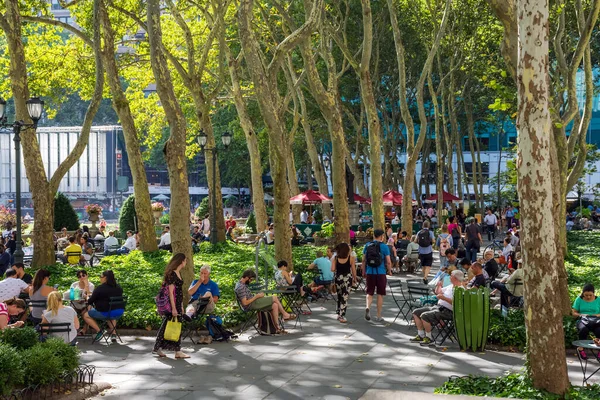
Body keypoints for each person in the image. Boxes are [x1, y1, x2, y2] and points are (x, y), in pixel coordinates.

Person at [410, 270, 465, 346]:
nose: (449, 277)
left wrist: (444, 298)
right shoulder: (450, 286)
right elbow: (438, 292)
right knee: (416, 312)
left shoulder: (461, 290)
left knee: (424, 315)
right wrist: (439, 286)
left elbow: (457, 303)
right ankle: (421, 335)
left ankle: (429, 338)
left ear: (455, 278)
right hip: (438, 307)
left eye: (451, 276)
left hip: (448, 311)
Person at [235, 269, 294, 333]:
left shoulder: (242, 284)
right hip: (250, 304)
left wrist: (258, 296)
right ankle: (285, 315)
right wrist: (257, 296)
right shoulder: (240, 287)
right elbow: (245, 303)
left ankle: (277, 328)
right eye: (251, 279)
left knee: (275, 305)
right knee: (274, 297)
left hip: (254, 302)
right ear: (246, 277)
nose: (251, 281)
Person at [153, 254, 189, 358]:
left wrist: (181, 305)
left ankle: (159, 347)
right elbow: (171, 292)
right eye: (185, 260)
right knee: (173, 325)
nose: (186, 262)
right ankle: (177, 351)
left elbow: (179, 291)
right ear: (181, 261)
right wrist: (173, 308)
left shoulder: (178, 272)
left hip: (177, 303)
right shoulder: (172, 274)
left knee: (169, 325)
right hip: (172, 304)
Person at [83, 270, 124, 344]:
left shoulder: (100, 288)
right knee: (111, 313)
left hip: (106, 313)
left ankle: (99, 331)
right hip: (119, 312)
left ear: (105, 278)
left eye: (101, 277)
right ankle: (113, 334)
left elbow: (90, 301)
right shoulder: (118, 287)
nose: (100, 279)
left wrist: (88, 297)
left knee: (86, 315)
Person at [362, 229, 391, 323]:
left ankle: (367, 307)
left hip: (370, 272)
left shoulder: (367, 245)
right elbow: (389, 262)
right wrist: (389, 271)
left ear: (374, 236)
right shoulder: (384, 247)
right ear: (382, 236)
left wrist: (364, 271)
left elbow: (364, 260)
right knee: (380, 294)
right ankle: (378, 315)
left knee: (369, 293)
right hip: (381, 272)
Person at [331, 243, 357, 323]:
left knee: (339, 296)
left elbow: (332, 269)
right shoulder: (351, 258)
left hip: (338, 279)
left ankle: (338, 312)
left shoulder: (335, 258)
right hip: (347, 279)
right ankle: (342, 315)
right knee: (344, 297)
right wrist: (355, 278)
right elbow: (353, 270)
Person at [573, 284, 600, 360]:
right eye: (586, 295)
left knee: (599, 331)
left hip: (596, 321)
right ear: (583, 293)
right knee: (583, 329)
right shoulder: (579, 299)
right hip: (583, 320)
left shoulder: (598, 300)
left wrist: (597, 315)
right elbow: (574, 313)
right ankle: (581, 349)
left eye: (590, 295)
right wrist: (581, 315)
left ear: (594, 293)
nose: (588, 297)